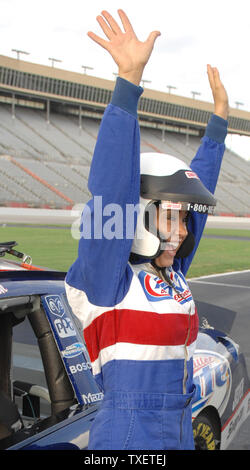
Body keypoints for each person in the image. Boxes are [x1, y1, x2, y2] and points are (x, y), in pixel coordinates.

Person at [65, 9, 228, 450]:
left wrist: (218, 127)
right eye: (168, 217)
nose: (180, 231)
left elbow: (198, 205)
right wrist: (128, 86)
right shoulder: (106, 280)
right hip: (126, 433)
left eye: (181, 218)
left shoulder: (171, 272)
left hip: (178, 424)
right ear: (138, 214)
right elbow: (112, 191)